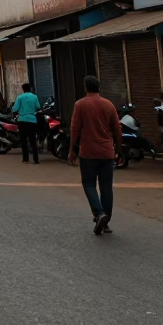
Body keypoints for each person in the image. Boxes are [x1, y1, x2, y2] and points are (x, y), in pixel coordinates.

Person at [70, 75, 123, 235]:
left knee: (88, 184)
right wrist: (119, 149)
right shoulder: (108, 104)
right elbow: (117, 129)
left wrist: (72, 149)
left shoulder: (80, 104)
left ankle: (99, 214)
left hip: (88, 153)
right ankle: (105, 222)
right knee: (106, 187)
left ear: (86, 88)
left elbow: (75, 129)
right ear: (99, 88)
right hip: (106, 152)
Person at [12, 82, 41, 164]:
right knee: (33, 141)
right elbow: (38, 107)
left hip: (22, 120)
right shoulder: (34, 97)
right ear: (30, 88)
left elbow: (15, 109)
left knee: (23, 140)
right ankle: (36, 159)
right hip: (32, 120)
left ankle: (25, 159)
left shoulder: (20, 97)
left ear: (23, 89)